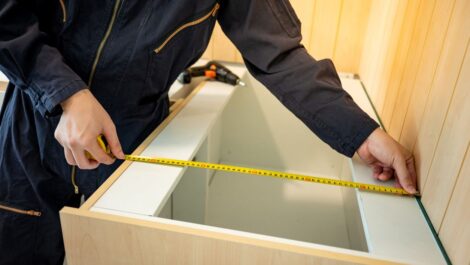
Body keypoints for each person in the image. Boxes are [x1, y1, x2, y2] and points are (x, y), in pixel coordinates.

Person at [0, 0, 417, 264]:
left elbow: (281, 55)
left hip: (134, 140)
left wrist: (362, 133)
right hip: (33, 128)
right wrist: (68, 96)